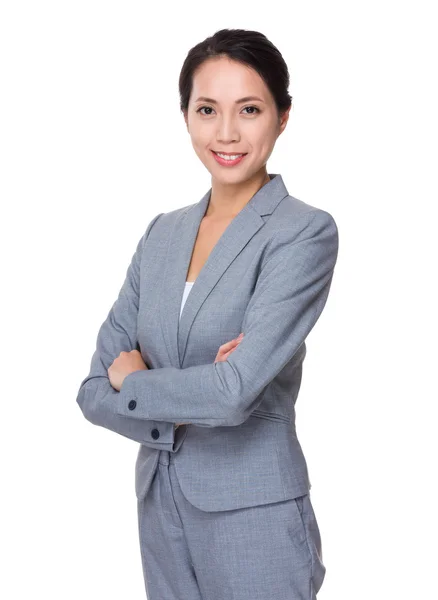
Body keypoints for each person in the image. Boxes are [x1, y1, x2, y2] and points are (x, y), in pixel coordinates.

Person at [76, 27, 339, 600]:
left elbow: (232, 392)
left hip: (256, 515)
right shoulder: (161, 235)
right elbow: (94, 390)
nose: (226, 133)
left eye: (249, 109)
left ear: (283, 115)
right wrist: (196, 389)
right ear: (186, 116)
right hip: (160, 509)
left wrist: (140, 380)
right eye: (206, 110)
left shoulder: (303, 233)